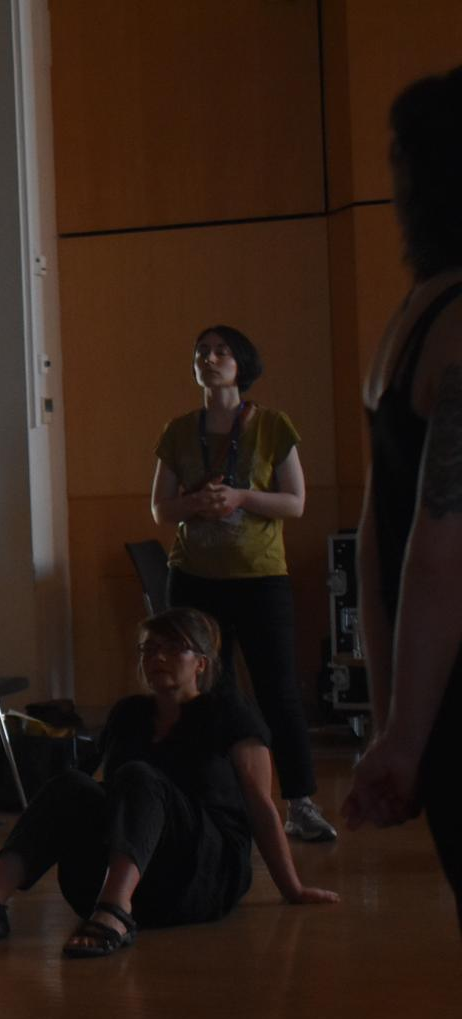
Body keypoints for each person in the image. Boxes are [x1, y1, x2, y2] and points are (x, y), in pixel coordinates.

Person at [288, 63, 462, 1019]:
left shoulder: (415, 317)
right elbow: (438, 539)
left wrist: (389, 705)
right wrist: (397, 728)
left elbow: (375, 538)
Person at [0, 608, 336, 958]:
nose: (156, 657)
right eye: (148, 649)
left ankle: (115, 911)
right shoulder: (129, 714)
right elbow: (82, 789)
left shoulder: (229, 713)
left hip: (202, 874)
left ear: (200, 662)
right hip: (125, 874)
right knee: (71, 785)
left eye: (171, 648)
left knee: (139, 775)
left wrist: (293, 888)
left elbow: (260, 805)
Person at [150, 325, 339, 843]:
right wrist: (197, 504)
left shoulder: (273, 426)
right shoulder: (178, 430)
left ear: (242, 365)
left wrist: (239, 498)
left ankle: (300, 803)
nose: (209, 359)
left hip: (260, 580)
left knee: (278, 690)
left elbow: (294, 502)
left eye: (221, 351)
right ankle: (212, 797)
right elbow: (160, 508)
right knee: (207, 693)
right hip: (193, 580)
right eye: (201, 352)